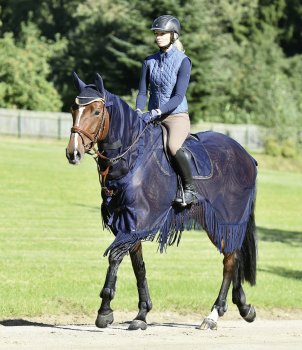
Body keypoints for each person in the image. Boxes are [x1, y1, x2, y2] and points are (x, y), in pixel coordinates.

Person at [136, 15, 196, 207]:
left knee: (172, 147)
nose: (158, 36)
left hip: (176, 116)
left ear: (174, 35)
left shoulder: (183, 61)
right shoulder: (149, 61)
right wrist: (139, 109)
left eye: (162, 33)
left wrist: (157, 111)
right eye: (156, 33)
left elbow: (178, 97)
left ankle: (189, 190)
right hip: (153, 117)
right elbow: (143, 92)